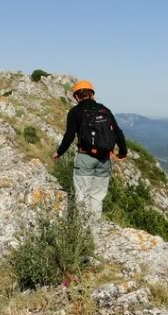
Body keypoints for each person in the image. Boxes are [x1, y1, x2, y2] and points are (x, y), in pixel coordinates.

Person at [51, 80, 127, 219]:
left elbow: (69, 135)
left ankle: (82, 230)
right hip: (104, 159)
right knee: (97, 196)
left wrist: (59, 152)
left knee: (82, 194)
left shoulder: (75, 112)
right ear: (92, 94)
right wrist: (122, 152)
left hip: (85, 158)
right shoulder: (104, 109)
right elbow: (117, 132)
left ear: (77, 97)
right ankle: (94, 226)